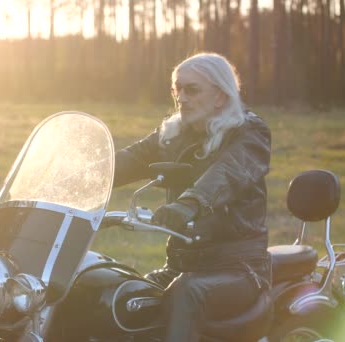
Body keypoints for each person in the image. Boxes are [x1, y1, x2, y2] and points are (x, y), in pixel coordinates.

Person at [113, 52, 272, 341]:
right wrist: (75, 173)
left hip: (238, 269)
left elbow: (228, 173)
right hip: (180, 266)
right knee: (120, 295)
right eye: (177, 89)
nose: (181, 98)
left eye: (192, 89)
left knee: (188, 291)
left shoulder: (249, 132)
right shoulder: (174, 133)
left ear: (221, 96)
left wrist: (189, 203)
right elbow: (128, 160)